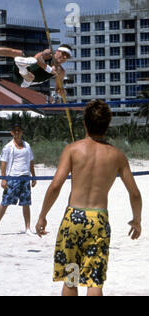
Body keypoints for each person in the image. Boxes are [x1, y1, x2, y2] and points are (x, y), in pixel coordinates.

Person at [35, 100, 142, 296]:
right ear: (108, 124)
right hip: (98, 220)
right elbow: (134, 194)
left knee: (71, 278)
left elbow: (55, 186)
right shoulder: (117, 156)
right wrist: (137, 220)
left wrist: (42, 215)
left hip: (73, 217)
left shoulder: (73, 149)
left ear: (84, 123)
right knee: (95, 280)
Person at [0, 35, 71, 93]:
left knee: (30, 76)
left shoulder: (61, 72)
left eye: (67, 57)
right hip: (21, 70)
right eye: (64, 54)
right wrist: (49, 69)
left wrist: (62, 92)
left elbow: (58, 89)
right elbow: (37, 59)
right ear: (57, 51)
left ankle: (22, 66)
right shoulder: (47, 54)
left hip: (24, 81)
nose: (65, 57)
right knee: (17, 53)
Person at [0, 123, 37, 236]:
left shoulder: (27, 146)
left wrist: (33, 176)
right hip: (13, 177)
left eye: (19, 130)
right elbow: (3, 163)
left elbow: (31, 162)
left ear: (22, 132)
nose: (17, 132)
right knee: (5, 202)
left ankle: (27, 228)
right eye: (15, 131)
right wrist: (4, 179)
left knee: (26, 203)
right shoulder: (8, 147)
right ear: (12, 133)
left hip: (25, 177)